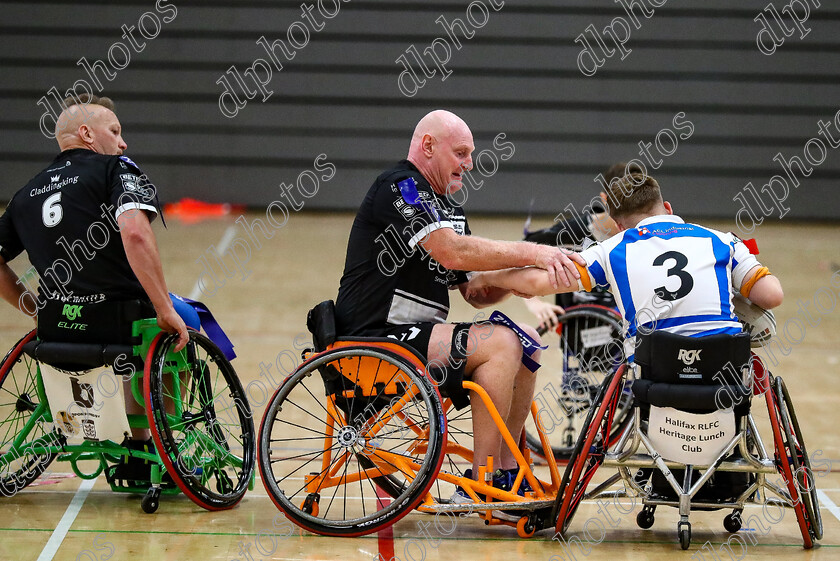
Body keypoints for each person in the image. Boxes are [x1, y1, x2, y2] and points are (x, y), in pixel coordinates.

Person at [334, 109, 584, 494]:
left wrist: (532, 279)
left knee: (525, 341)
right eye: (462, 152)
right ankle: (483, 480)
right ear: (428, 145)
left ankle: (504, 469)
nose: (470, 163)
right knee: (500, 343)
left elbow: (474, 289)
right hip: (374, 337)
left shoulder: (449, 207)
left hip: (417, 339)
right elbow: (453, 253)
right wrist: (532, 251)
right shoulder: (402, 186)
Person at [0, 94, 189, 457]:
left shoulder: (25, 194)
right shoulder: (116, 169)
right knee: (184, 322)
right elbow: (134, 233)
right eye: (115, 131)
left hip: (56, 329)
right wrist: (165, 308)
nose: (123, 142)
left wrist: (37, 310)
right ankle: (153, 447)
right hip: (118, 323)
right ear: (87, 133)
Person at [468, 172, 783, 360]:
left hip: (656, 372)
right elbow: (772, 296)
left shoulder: (613, 249)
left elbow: (538, 283)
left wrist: (491, 276)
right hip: (721, 370)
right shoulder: (722, 241)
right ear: (668, 208)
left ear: (618, 225)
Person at [522, 161, 640, 329]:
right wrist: (535, 303)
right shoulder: (569, 232)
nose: (628, 213)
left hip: (627, 331)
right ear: (604, 199)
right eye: (622, 203)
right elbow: (521, 254)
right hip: (580, 330)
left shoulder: (644, 237)